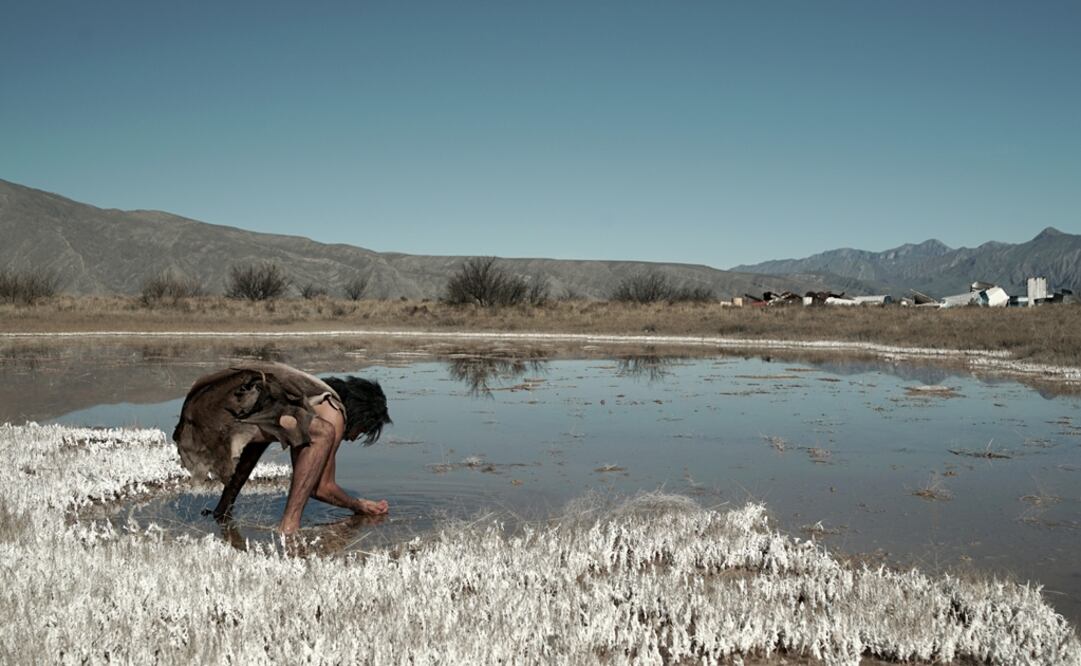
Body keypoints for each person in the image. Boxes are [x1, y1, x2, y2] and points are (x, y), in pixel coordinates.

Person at [172, 361, 391, 534]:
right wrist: (358, 505)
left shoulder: (307, 397)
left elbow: (251, 441)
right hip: (219, 412)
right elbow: (320, 488)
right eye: (362, 432)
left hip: (204, 408)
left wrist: (224, 506)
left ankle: (223, 511)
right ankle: (289, 527)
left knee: (272, 432)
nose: (354, 438)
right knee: (323, 433)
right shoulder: (333, 411)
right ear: (361, 416)